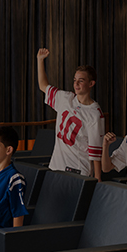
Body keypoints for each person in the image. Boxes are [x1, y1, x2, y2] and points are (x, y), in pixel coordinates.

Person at [36, 48, 104, 181]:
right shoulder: (65, 98)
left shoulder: (95, 114)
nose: (76, 84)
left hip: (77, 170)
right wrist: (40, 60)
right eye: (75, 80)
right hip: (56, 166)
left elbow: (95, 153)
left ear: (91, 84)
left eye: (81, 81)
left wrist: (97, 180)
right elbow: (43, 86)